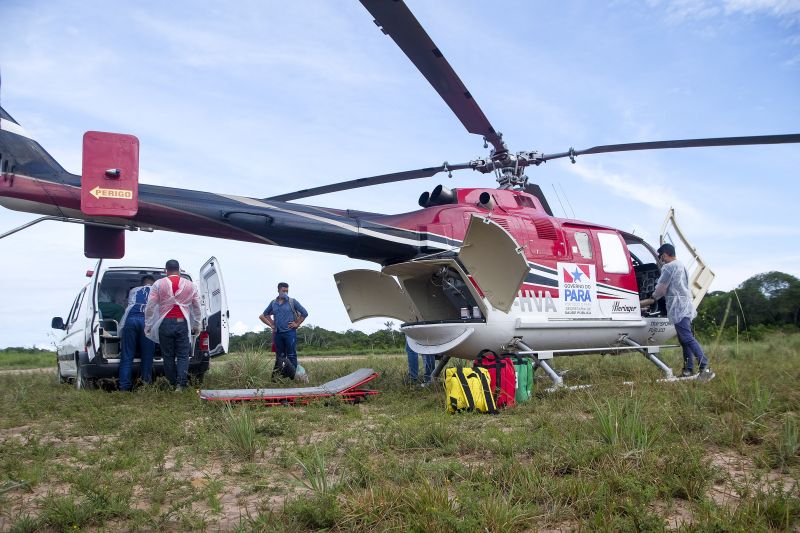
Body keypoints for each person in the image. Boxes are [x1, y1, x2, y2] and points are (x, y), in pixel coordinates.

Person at [641, 243, 715, 381]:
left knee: (687, 338)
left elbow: (661, 288)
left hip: (678, 307)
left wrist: (652, 297)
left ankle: (705, 368)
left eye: (661, 256)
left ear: (665, 254)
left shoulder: (669, 267)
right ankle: (688, 370)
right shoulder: (681, 265)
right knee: (684, 339)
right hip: (685, 306)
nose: (661, 260)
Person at [144, 260, 202, 391]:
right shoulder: (191, 285)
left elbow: (150, 306)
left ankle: (171, 384)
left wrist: (148, 324)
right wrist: (197, 324)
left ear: (166, 270)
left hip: (165, 323)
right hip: (182, 323)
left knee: (168, 355)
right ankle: (181, 385)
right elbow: (197, 307)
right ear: (179, 269)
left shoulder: (158, 284)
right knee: (183, 355)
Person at [258, 282, 308, 371]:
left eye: (287, 291)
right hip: (278, 333)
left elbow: (304, 313)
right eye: (283, 291)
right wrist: (272, 324)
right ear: (278, 290)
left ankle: (293, 375)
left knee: (291, 355)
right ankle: (279, 376)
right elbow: (265, 314)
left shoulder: (292, 301)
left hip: (290, 333)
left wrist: (297, 324)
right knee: (280, 356)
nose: (285, 293)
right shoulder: (273, 303)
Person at [118, 275, 156, 391]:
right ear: (153, 283)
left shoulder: (133, 290)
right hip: (147, 322)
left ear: (142, 283)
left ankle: (124, 387)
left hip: (131, 320)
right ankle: (145, 386)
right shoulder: (156, 290)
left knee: (127, 355)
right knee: (147, 356)